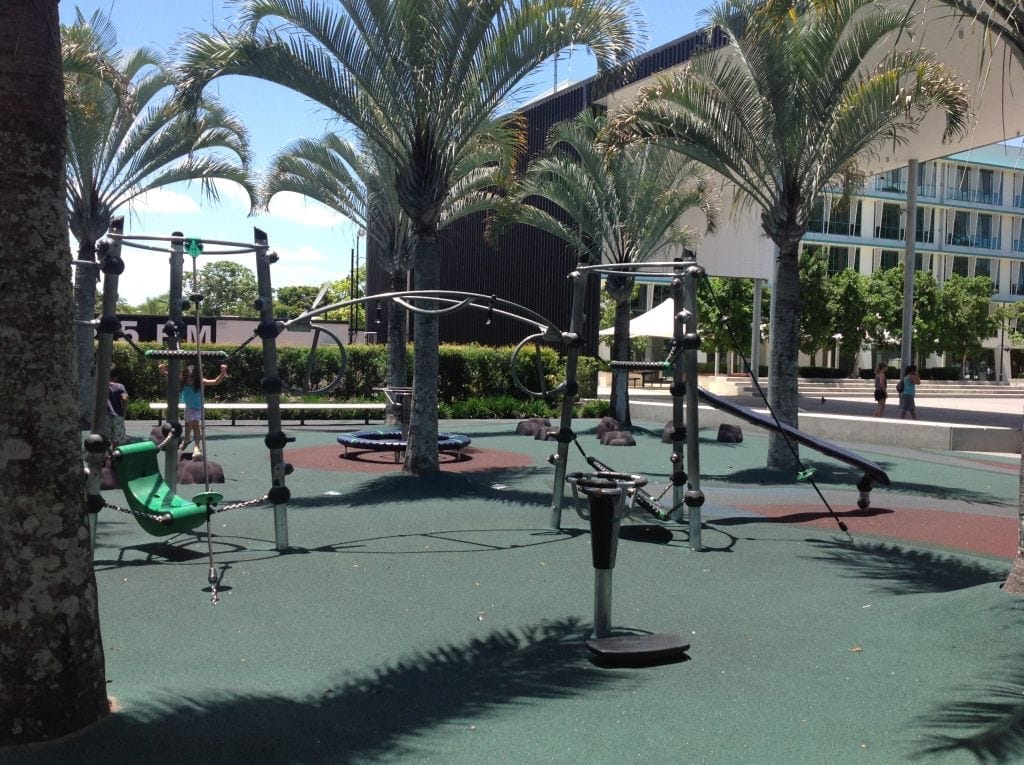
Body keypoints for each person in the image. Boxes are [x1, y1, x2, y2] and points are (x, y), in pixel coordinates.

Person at [159, 362, 228, 458]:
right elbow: (170, 377)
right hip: (188, 408)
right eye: (188, 378)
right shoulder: (183, 381)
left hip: (198, 408)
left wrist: (223, 372)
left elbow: (215, 381)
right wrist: (163, 371)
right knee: (188, 425)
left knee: (195, 424)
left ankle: (197, 447)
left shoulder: (200, 382)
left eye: (192, 378)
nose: (190, 380)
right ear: (185, 377)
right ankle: (187, 439)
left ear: (196, 377)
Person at [107, 365, 129, 448]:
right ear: (116, 376)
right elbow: (125, 398)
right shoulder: (120, 386)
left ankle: (106, 458)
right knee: (117, 440)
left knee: (105, 439)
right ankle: (115, 457)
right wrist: (124, 411)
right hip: (118, 415)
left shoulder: (103, 385)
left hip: (105, 416)